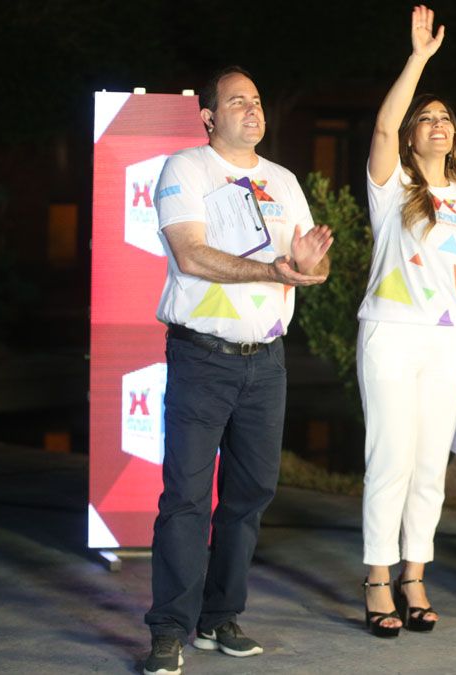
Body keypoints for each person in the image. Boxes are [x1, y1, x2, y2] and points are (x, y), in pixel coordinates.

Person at [143, 66, 333, 675]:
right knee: (187, 500)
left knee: (250, 496)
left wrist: (307, 267)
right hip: (202, 358)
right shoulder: (186, 169)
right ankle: (169, 629)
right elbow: (191, 253)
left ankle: (219, 618)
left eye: (257, 101)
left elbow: (312, 265)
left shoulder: (282, 180)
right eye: (236, 102)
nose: (252, 111)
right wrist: (278, 271)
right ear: (207, 115)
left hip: (266, 364)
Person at [357, 4, 456, 639]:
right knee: (391, 458)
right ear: (413, 137)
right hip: (390, 331)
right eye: (425, 120)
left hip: (442, 343)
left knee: (431, 463)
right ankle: (378, 579)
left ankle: (414, 574)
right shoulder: (393, 186)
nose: (436, 125)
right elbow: (381, 128)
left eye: (445, 120)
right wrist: (418, 59)